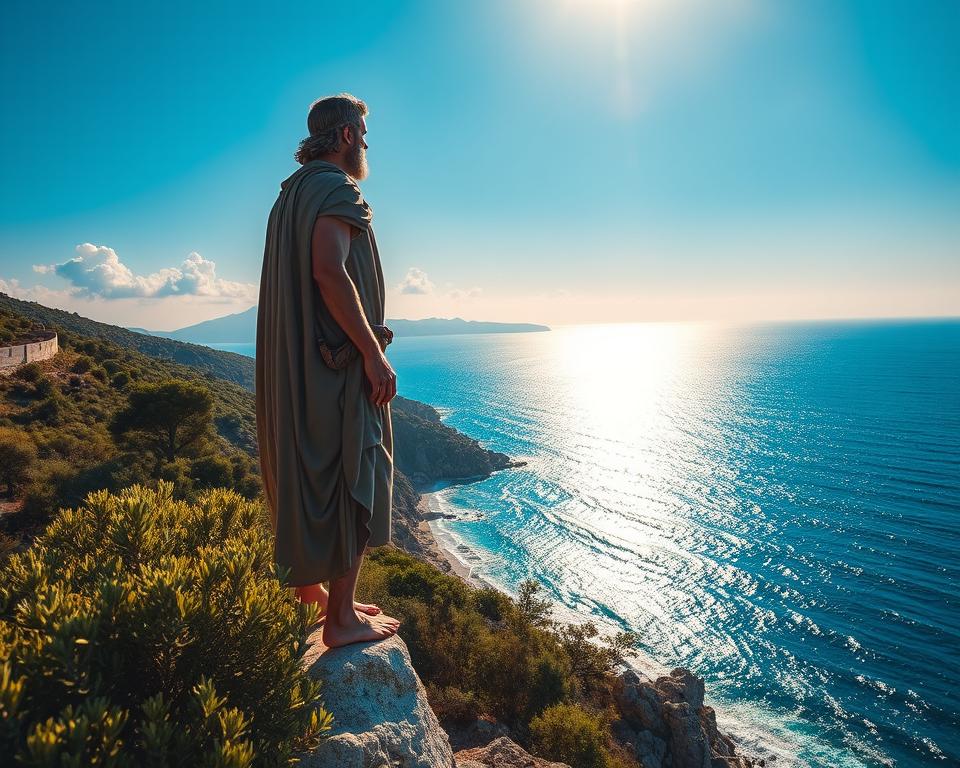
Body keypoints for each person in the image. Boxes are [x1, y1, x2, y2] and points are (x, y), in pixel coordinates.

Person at [256, 93, 400, 647]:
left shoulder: (290, 194)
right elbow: (329, 272)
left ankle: (314, 593)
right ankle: (341, 619)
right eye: (362, 131)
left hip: (300, 365)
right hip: (337, 367)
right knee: (355, 471)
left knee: (309, 467)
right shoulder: (337, 188)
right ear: (344, 135)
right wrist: (372, 352)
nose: (365, 142)